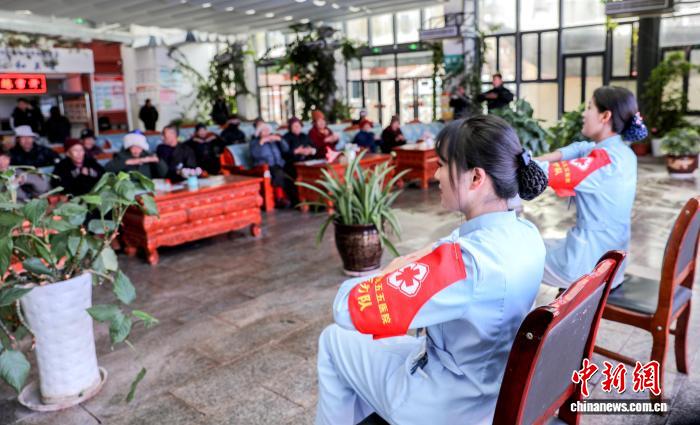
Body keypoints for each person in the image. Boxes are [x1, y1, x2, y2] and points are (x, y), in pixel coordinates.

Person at [315, 115, 549, 425]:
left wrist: (387, 271)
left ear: (475, 178)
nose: (436, 174)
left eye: (442, 164)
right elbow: (452, 248)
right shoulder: (527, 234)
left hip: (447, 404)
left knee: (334, 339)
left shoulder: (465, 264)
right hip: (491, 386)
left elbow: (345, 309)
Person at [534, 86, 648, 289]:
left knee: (516, 257)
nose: (584, 114)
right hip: (609, 259)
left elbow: (544, 174)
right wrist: (540, 158)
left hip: (589, 266)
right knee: (534, 245)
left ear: (605, 116)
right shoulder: (622, 152)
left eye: (589, 107)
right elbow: (581, 148)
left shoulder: (604, 162)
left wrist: (518, 163)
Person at [249, 123, 296, 208]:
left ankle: (294, 199)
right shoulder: (254, 142)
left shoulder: (273, 141)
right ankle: (279, 198)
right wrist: (261, 142)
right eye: (264, 130)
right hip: (264, 167)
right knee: (278, 173)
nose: (266, 132)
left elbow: (286, 149)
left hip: (279, 165)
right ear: (259, 133)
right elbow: (255, 155)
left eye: (267, 130)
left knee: (290, 173)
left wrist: (280, 140)